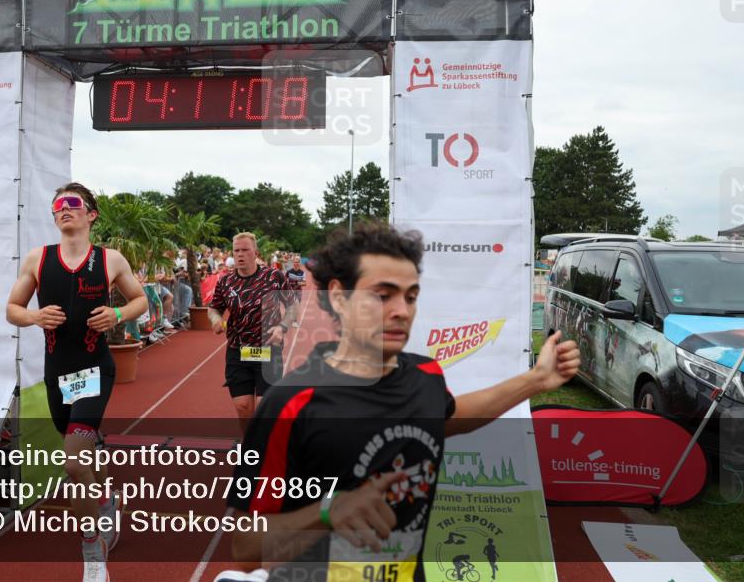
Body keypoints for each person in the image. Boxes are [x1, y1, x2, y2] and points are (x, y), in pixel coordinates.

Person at [226, 224, 580, 580]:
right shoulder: (290, 404)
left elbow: (450, 417)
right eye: (383, 295)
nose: (402, 310)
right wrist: (328, 512)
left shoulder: (425, 375)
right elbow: (244, 547)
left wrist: (536, 380)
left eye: (410, 297)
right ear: (338, 297)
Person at [6, 182, 147, 582]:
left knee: (72, 461)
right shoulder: (38, 259)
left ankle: (92, 550)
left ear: (91, 214)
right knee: (83, 457)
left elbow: (140, 300)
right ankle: (105, 499)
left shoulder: (110, 259)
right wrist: (34, 317)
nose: (64, 209)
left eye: (73, 203)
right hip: (57, 375)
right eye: (58, 205)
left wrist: (117, 315)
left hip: (94, 370)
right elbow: (13, 308)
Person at [208, 232, 295, 432]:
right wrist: (215, 319)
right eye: (236, 250)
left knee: (265, 408)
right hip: (238, 350)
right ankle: (249, 443)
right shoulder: (225, 282)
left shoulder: (274, 277)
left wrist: (282, 327)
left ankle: (265, 444)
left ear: (255, 252)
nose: (240, 254)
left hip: (267, 350)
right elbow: (214, 308)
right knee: (243, 406)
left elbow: (292, 306)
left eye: (245, 250)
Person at [285, 256, 306, 328]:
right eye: (294, 262)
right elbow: (285, 281)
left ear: (299, 263)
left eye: (297, 262)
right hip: (290, 291)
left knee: (296, 306)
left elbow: (304, 283)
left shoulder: (302, 272)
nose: (296, 263)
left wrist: (297, 282)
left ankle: (294, 322)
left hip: (298, 291)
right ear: (293, 263)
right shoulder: (288, 272)